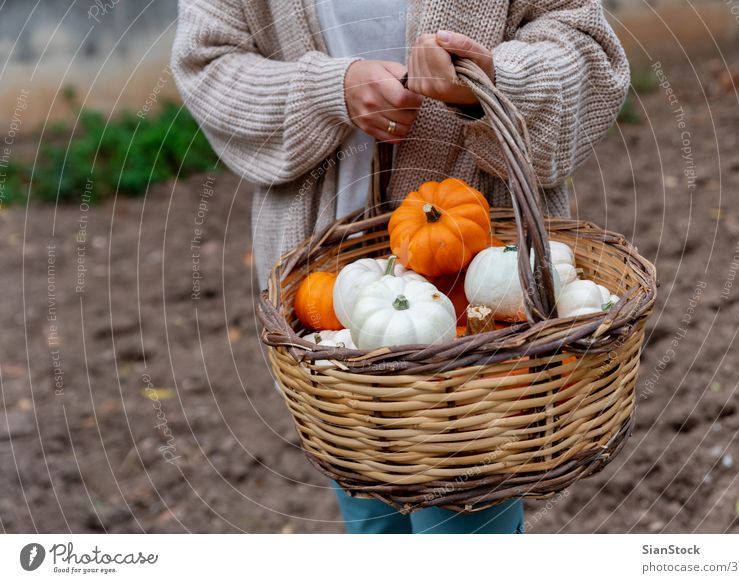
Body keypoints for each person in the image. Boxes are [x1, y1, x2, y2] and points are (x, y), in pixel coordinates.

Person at [172, 0, 629, 534]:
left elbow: (585, 45)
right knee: (371, 517)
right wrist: (328, 93)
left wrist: (495, 81)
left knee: (466, 525)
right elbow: (210, 65)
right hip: (327, 283)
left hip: (481, 277)